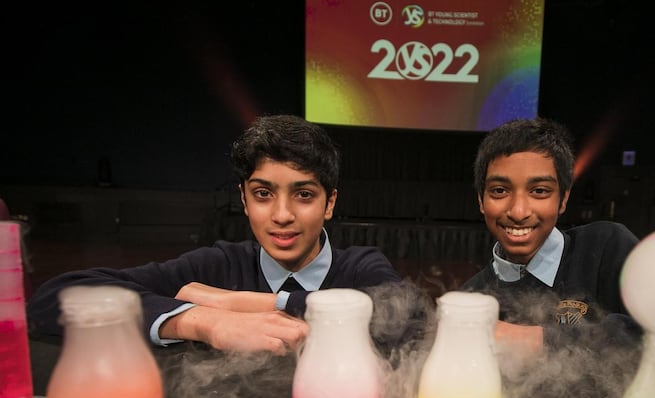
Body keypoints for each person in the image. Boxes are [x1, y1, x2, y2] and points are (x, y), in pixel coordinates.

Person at [26, 114, 402, 354]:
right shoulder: (217, 264)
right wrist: (205, 321)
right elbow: (55, 298)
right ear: (244, 199)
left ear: (329, 203)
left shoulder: (360, 265)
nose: (282, 215)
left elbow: (406, 319)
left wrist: (243, 302)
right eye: (263, 194)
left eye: (303, 195)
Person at [461, 117, 641, 354]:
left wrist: (535, 340)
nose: (518, 212)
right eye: (500, 191)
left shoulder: (606, 247)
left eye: (539, 191)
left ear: (563, 199)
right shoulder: (472, 296)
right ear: (481, 201)